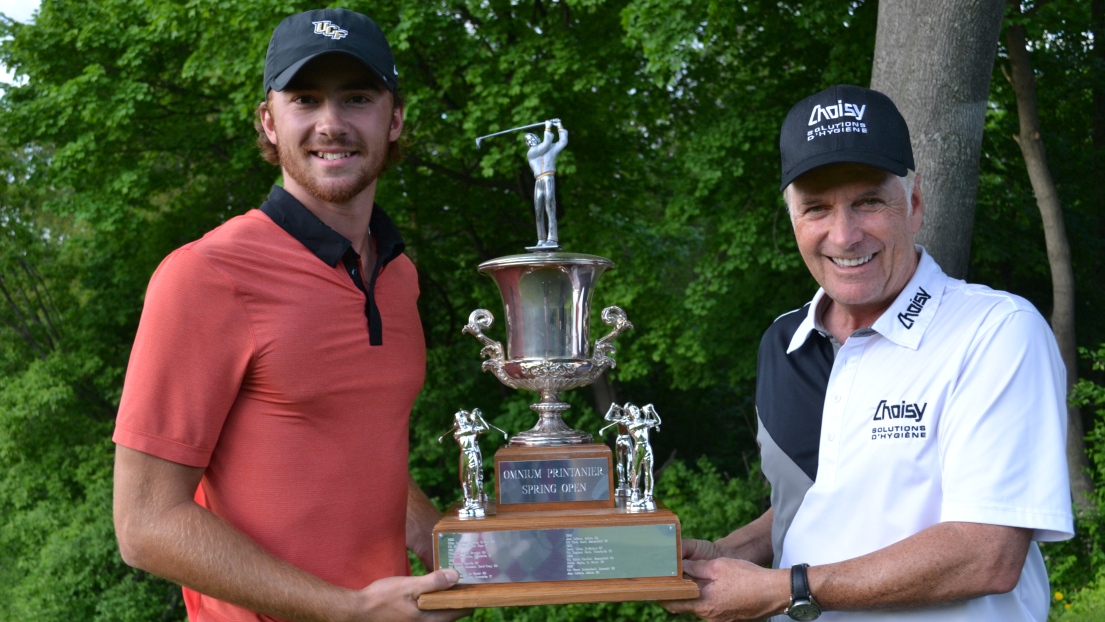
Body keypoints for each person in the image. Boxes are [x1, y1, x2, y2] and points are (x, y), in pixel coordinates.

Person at [663, 84, 1074, 621]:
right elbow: (817, 502)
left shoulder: (996, 331)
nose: (844, 234)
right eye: (816, 208)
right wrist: (729, 555)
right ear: (794, 222)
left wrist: (786, 588)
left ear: (915, 204)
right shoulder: (785, 344)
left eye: (868, 201)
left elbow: (987, 552)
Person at [111, 9, 468, 622]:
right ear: (269, 122)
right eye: (305, 99)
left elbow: (355, 450)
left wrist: (462, 550)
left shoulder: (397, 274)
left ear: (396, 119)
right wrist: (349, 609)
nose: (332, 124)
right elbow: (145, 524)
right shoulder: (205, 276)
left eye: (357, 97)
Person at [524, 118, 568, 250]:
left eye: (532, 138)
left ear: (537, 138)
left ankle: (552, 238)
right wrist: (548, 128)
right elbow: (545, 144)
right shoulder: (532, 152)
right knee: (538, 211)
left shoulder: (550, 150)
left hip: (548, 179)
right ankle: (541, 239)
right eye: (528, 140)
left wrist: (559, 125)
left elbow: (563, 141)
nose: (531, 140)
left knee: (550, 207)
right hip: (539, 181)